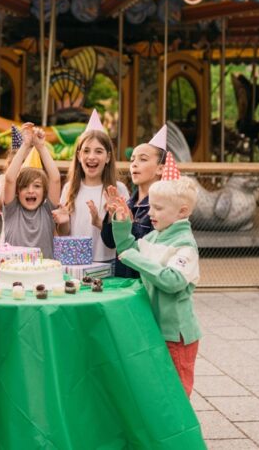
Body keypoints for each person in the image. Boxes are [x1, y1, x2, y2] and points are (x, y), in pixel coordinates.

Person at [107, 176, 201, 396]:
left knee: (176, 391)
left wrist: (133, 257)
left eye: (158, 208)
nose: (150, 213)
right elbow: (129, 248)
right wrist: (121, 223)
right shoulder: (156, 236)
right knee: (160, 389)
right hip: (158, 329)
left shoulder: (185, 245)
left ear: (182, 211)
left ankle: (180, 429)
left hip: (176, 335)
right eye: (151, 207)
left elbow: (172, 280)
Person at [57, 129, 128, 266]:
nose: (91, 156)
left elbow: (124, 235)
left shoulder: (118, 189)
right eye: (86, 151)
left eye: (98, 151)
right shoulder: (69, 188)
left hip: (108, 262)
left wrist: (112, 218)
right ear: (78, 156)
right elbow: (63, 233)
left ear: (108, 157)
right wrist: (64, 222)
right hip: (75, 261)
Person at [101, 142, 164, 278]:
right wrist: (111, 216)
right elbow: (110, 242)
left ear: (160, 169)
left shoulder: (162, 208)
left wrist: (128, 224)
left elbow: (151, 248)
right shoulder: (127, 203)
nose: (134, 164)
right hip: (123, 281)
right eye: (132, 159)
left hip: (144, 283)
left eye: (143, 159)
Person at [1, 123, 62, 258]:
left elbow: (55, 178)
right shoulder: (12, 210)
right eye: (24, 186)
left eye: (37, 186)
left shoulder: (48, 211)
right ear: (17, 191)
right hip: (15, 272)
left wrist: (40, 147)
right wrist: (25, 145)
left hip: (43, 274)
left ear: (45, 191)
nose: (30, 191)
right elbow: (10, 179)